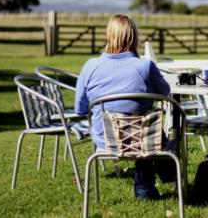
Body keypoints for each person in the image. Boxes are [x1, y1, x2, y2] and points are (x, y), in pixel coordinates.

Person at [74, 14, 174, 200]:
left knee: (142, 126)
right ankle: (160, 182)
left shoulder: (90, 66)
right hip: (143, 139)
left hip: (106, 139)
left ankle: (151, 187)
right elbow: (166, 93)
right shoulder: (145, 66)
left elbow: (80, 109)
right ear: (134, 37)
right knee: (148, 128)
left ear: (108, 35)